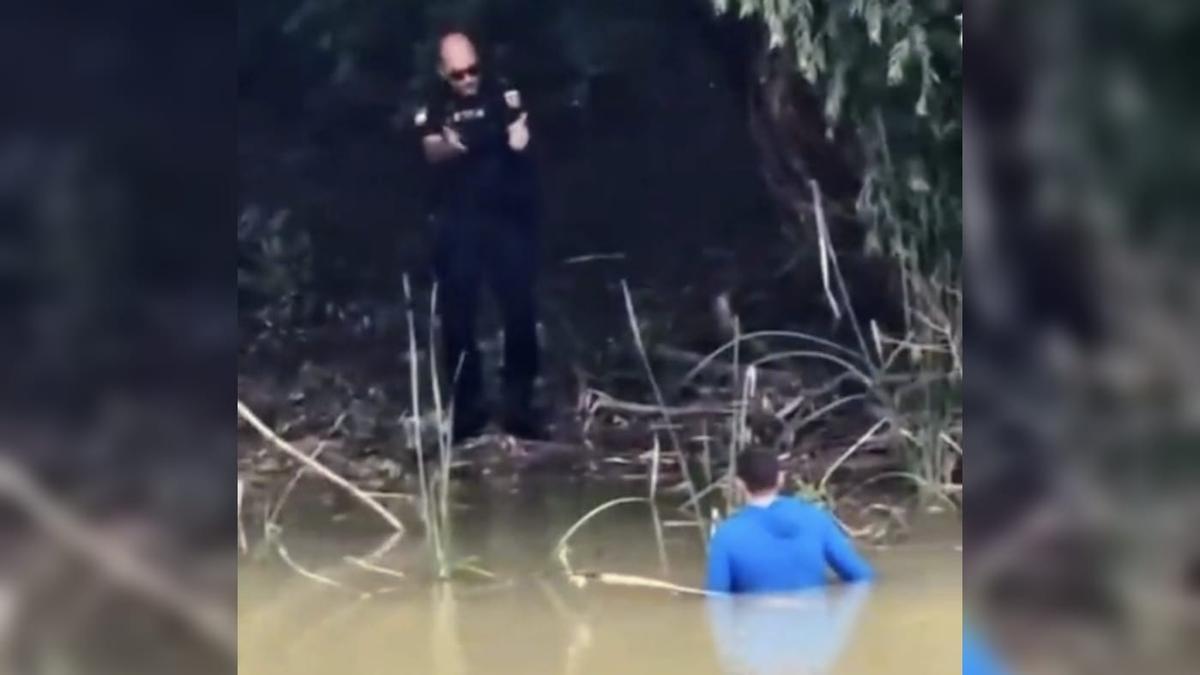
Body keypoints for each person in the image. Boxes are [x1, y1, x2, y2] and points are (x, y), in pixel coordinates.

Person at [413, 32, 543, 442]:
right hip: (458, 222)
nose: (467, 79)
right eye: (458, 74)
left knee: (520, 309)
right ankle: (467, 412)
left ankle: (519, 406)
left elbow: (522, 133)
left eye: (472, 70)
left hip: (505, 217)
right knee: (458, 319)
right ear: (442, 72)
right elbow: (429, 149)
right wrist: (456, 146)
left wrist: (520, 140)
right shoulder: (436, 103)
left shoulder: (500, 93)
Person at [705, 449, 875, 594]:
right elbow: (861, 577)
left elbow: (716, 600)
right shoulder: (815, 517)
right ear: (780, 479)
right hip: (814, 627)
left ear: (739, 484)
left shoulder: (726, 536)